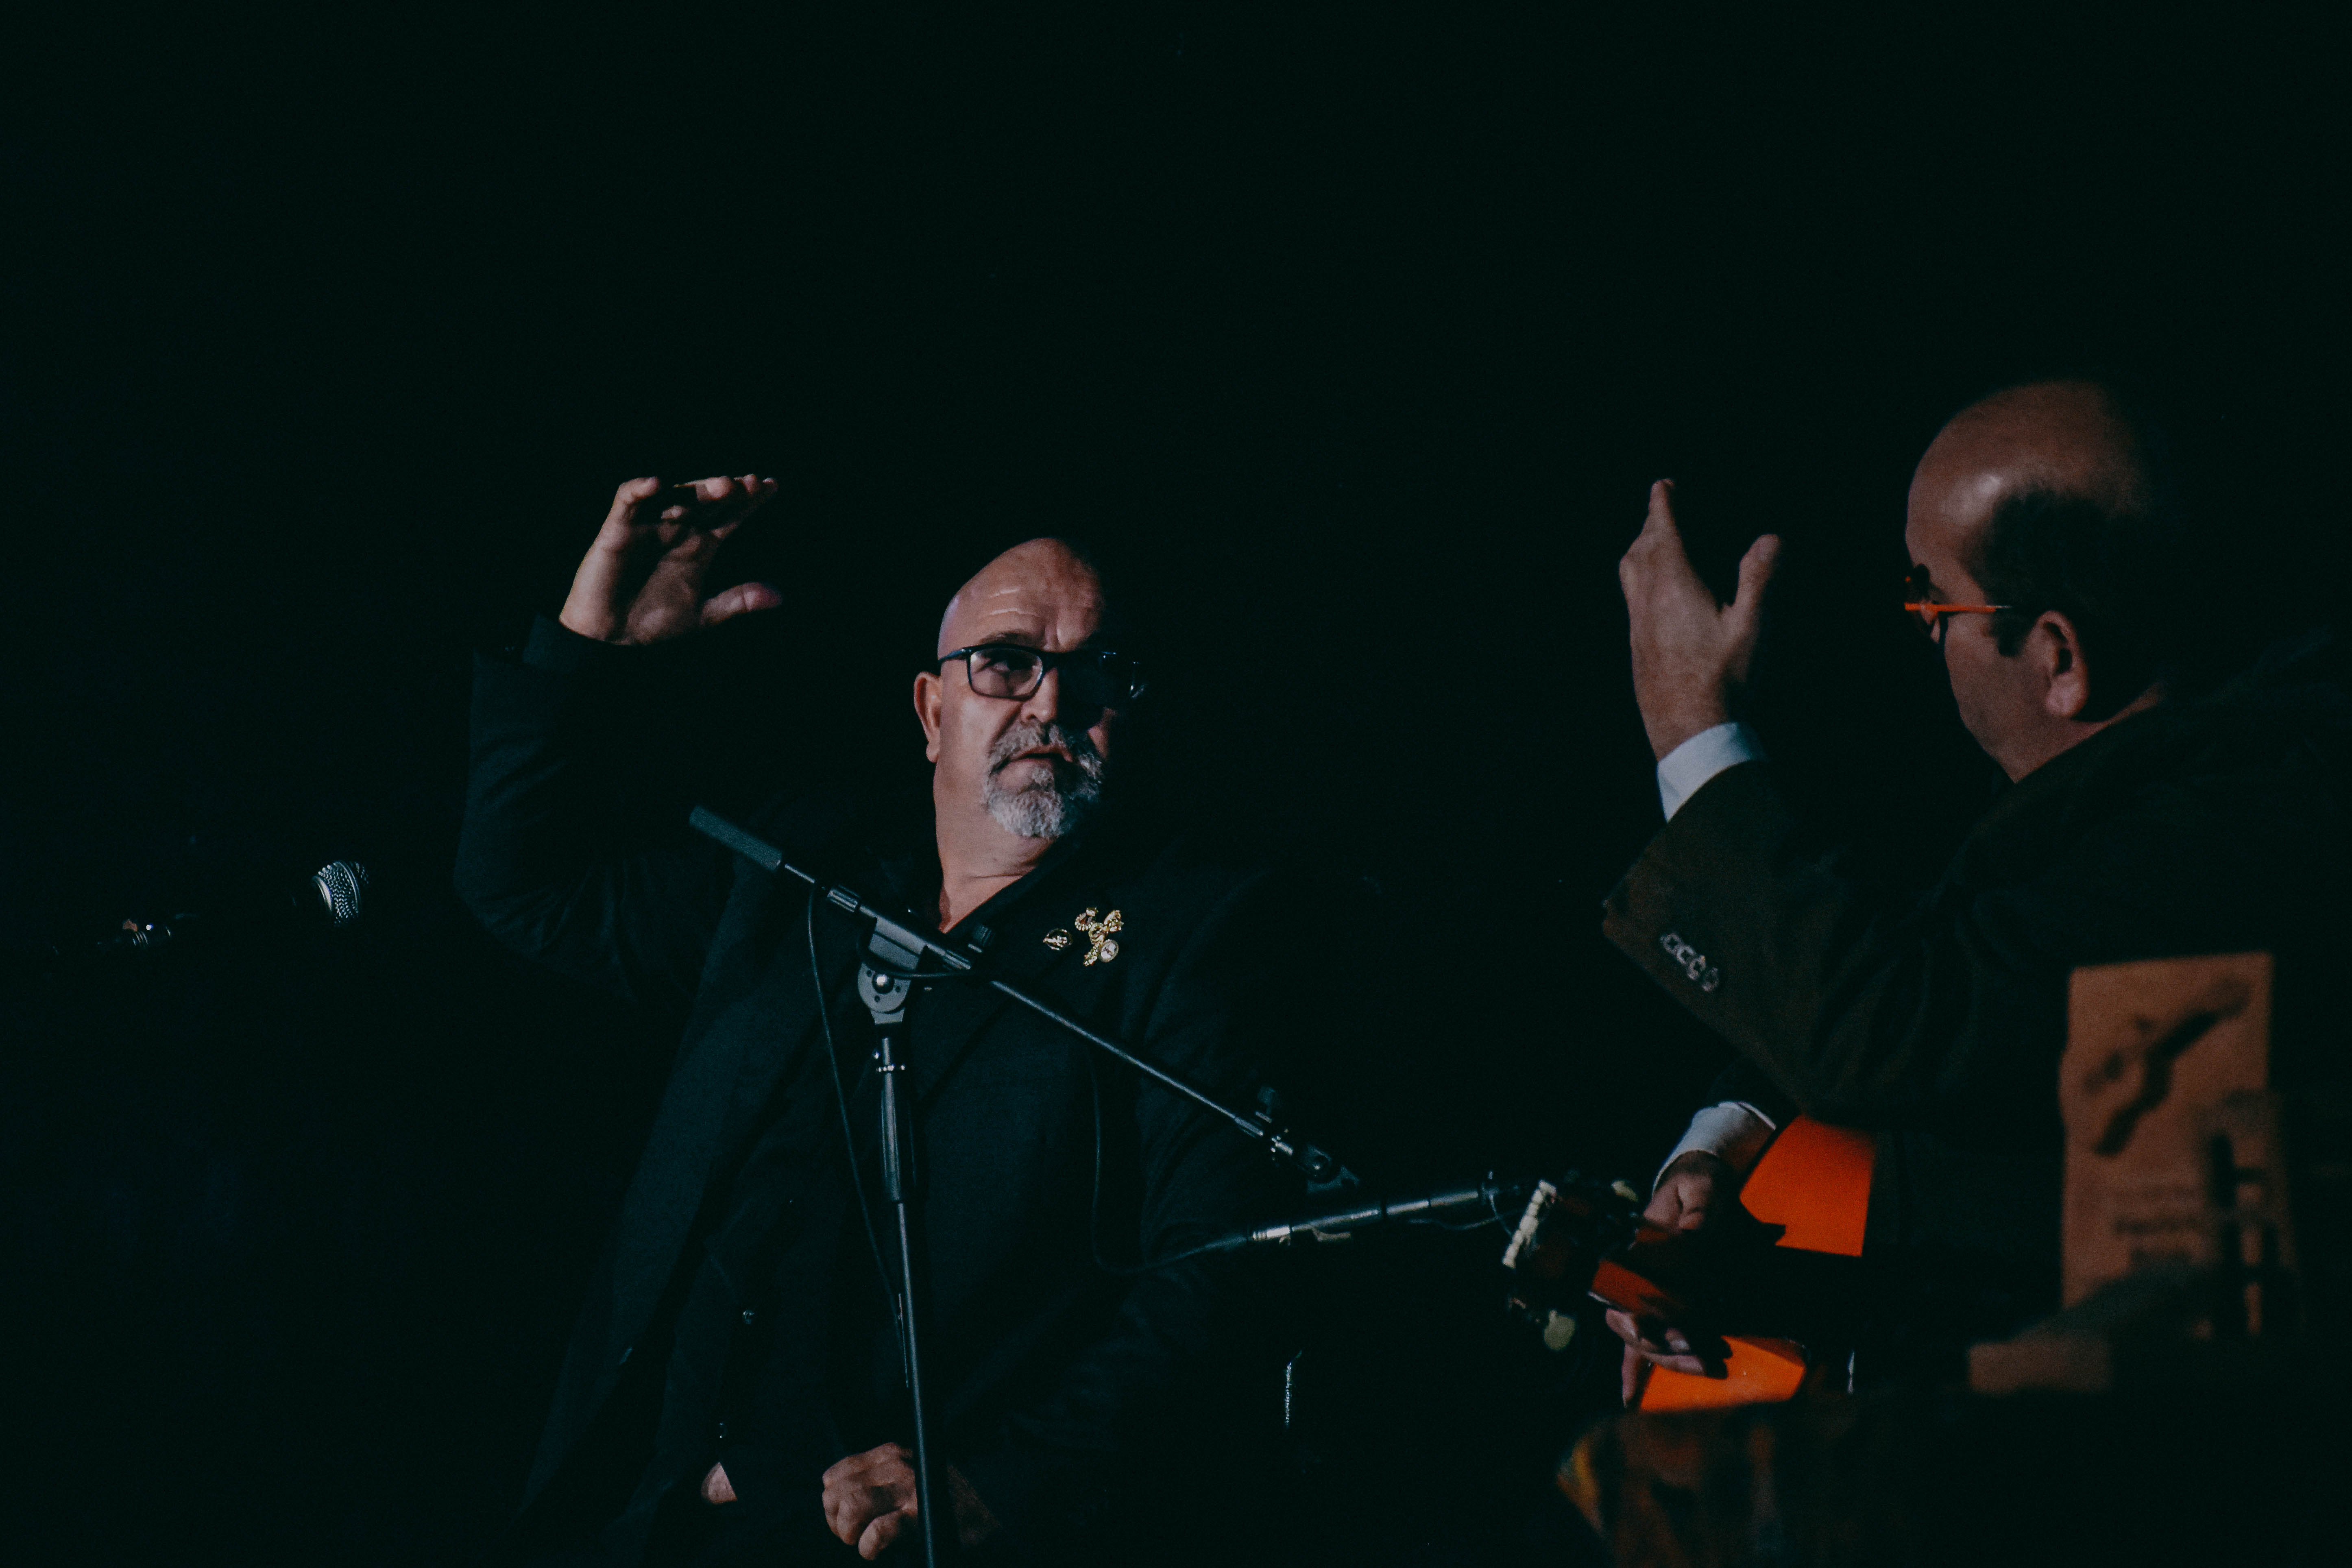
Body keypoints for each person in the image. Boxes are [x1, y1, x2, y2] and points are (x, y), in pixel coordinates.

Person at [457, 476, 1287, 1564]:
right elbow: (525, 886)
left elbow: (1221, 1269)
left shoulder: (1186, 942)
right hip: (644, 1511)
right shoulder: (804, 872)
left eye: (1096, 674)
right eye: (1007, 662)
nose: (1049, 704)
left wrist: (1002, 1483)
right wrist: (587, 652)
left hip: (883, 1538)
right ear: (931, 711)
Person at [1602, 379, 2352, 1393]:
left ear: (2058, 657)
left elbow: (1898, 1024)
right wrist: (1725, 1144)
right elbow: (1900, 948)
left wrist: (1689, 718)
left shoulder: (2240, 824)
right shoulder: (2097, 785)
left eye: (1931, 600)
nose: (1919, 630)